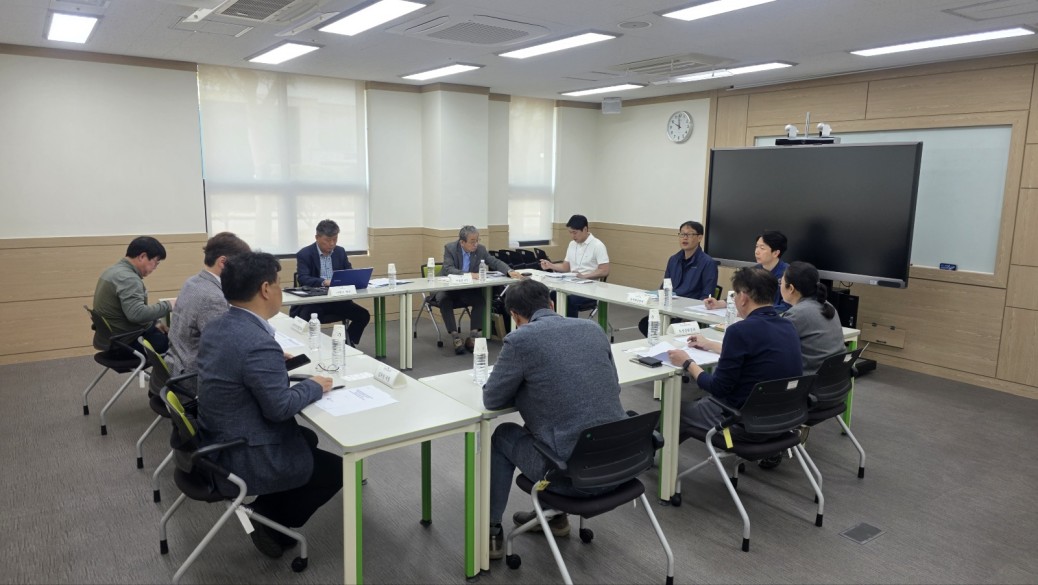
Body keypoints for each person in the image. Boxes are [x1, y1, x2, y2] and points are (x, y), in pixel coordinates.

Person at [196, 252, 341, 559]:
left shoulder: (218, 325)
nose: (280, 290)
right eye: (278, 283)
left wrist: (273, 364)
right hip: (240, 450)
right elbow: (279, 408)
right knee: (336, 470)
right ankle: (270, 519)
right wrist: (315, 385)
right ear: (265, 289)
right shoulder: (256, 342)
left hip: (213, 435)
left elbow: (237, 368)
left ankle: (272, 505)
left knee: (307, 438)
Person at [483, 279, 626, 560]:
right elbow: (614, 386)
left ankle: (491, 531)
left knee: (504, 435)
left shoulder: (520, 340)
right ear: (551, 304)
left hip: (573, 479)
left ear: (514, 316)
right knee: (553, 422)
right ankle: (555, 517)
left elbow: (492, 399)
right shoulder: (592, 329)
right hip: (622, 463)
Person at [667, 267, 802, 440]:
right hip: (784, 420)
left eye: (735, 295)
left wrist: (687, 362)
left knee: (673, 410)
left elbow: (718, 388)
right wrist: (710, 344)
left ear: (743, 297)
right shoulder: (788, 326)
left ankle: (647, 454)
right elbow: (757, 354)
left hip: (742, 423)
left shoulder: (739, 331)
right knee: (697, 408)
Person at [164, 232, 250, 391]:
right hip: (193, 377)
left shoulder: (193, 281)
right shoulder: (213, 297)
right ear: (223, 262)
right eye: (241, 265)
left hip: (178, 361)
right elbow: (225, 349)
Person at [437, 225, 521, 354]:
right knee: (444, 300)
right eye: (472, 241)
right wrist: (469, 275)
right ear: (462, 242)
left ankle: (473, 336)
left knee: (480, 301)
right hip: (448, 287)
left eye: (477, 240)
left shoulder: (480, 249)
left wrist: (509, 271)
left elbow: (494, 261)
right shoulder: (450, 248)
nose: (475, 244)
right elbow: (448, 269)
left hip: (467, 288)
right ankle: (455, 337)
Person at [92, 236, 175, 356]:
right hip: (126, 343)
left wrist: (154, 323)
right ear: (142, 256)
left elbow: (130, 311)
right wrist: (169, 305)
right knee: (179, 345)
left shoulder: (112, 271)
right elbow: (137, 315)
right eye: (156, 262)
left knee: (162, 331)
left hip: (114, 338)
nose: (155, 268)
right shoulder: (129, 279)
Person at [291, 219, 370, 346]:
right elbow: (303, 278)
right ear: (317, 237)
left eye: (335, 239)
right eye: (327, 240)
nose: (332, 244)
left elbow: (348, 272)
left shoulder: (340, 252)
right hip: (315, 301)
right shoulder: (305, 254)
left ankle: (346, 344)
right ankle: (309, 347)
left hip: (338, 299)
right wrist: (324, 282)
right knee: (307, 317)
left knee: (363, 315)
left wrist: (356, 279)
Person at [638, 220, 718, 336]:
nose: (684, 238)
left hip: (689, 313)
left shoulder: (708, 263)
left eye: (689, 234)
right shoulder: (673, 259)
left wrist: (689, 315)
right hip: (670, 309)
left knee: (669, 330)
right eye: (682, 234)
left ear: (699, 237)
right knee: (645, 324)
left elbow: (707, 295)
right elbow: (664, 287)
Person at [538, 214, 610, 318]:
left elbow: (605, 270)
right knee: (551, 296)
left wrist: (584, 276)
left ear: (585, 229)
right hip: (572, 284)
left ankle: (570, 326)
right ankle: (555, 323)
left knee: (569, 300)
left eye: (575, 232)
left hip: (591, 289)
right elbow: (566, 267)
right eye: (570, 232)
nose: (572, 236)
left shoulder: (597, 245)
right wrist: (551, 265)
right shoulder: (572, 244)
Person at [781, 261, 846, 374]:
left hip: (810, 380)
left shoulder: (796, 314)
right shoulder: (828, 306)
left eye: (780, 282)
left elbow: (778, 349)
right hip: (837, 378)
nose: (780, 286)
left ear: (791, 288)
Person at [704, 230, 791, 312]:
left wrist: (756, 312)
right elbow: (740, 294)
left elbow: (787, 306)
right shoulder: (753, 271)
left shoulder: (788, 274)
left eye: (762, 248)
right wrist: (719, 303)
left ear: (775, 253)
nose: (757, 251)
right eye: (756, 247)